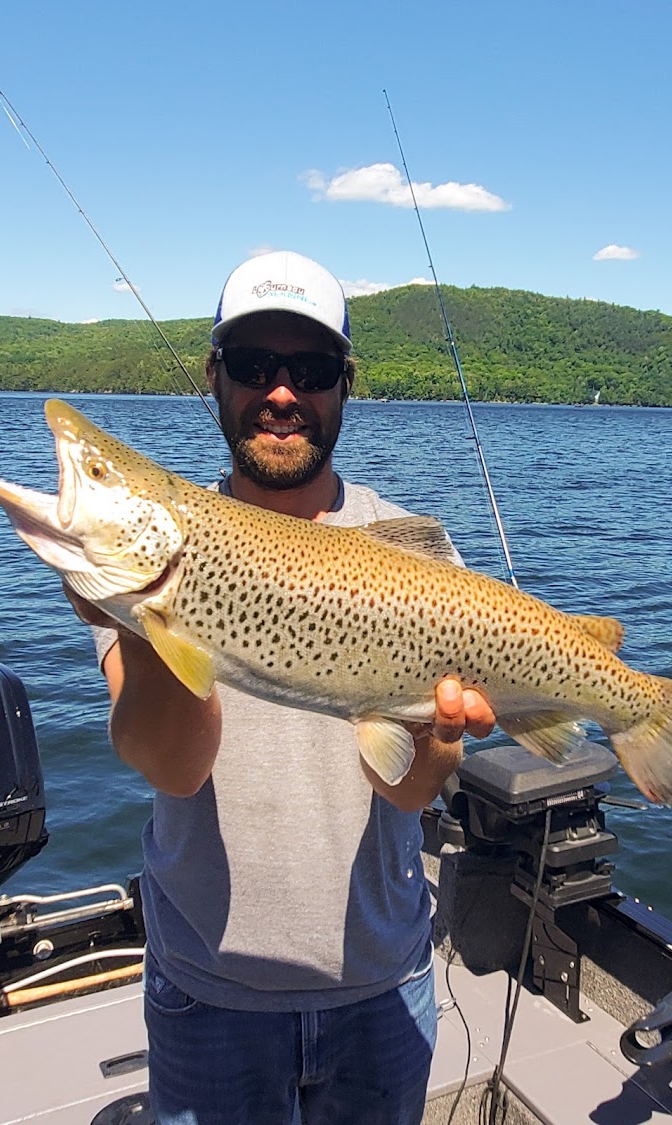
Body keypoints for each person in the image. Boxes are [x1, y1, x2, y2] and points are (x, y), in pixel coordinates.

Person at [70, 250, 495, 1125]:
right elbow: (174, 767)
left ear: (346, 385)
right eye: (255, 366)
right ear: (214, 377)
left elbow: (409, 786)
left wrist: (436, 735)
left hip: (382, 984)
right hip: (208, 991)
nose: (281, 392)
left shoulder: (412, 544)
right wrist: (151, 622)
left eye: (310, 369)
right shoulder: (157, 544)